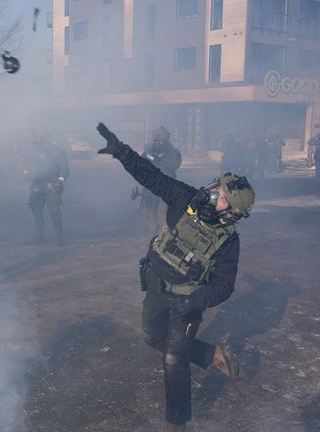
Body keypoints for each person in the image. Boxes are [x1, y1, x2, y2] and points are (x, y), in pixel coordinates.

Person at [96, 122, 255, 432]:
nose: (213, 194)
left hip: (187, 300)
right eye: (217, 188)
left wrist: (193, 302)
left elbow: (224, 285)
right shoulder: (187, 200)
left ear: (231, 212)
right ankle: (211, 353)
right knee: (152, 337)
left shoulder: (228, 242)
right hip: (157, 283)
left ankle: (176, 423)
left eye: (222, 197)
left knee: (173, 359)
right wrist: (121, 152)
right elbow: (152, 177)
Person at [24, 130, 70, 245]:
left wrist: (60, 180)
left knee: (54, 211)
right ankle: (38, 237)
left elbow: (64, 167)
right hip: (37, 184)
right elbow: (27, 165)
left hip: (52, 183)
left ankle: (60, 238)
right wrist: (26, 173)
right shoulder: (32, 151)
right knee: (37, 212)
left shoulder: (56, 151)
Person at [135, 126, 183, 234]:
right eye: (157, 141)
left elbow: (174, 165)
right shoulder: (149, 151)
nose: (159, 144)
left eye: (160, 141)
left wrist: (158, 161)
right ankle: (157, 235)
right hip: (156, 186)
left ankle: (160, 235)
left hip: (163, 186)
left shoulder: (172, 152)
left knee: (161, 213)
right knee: (154, 212)